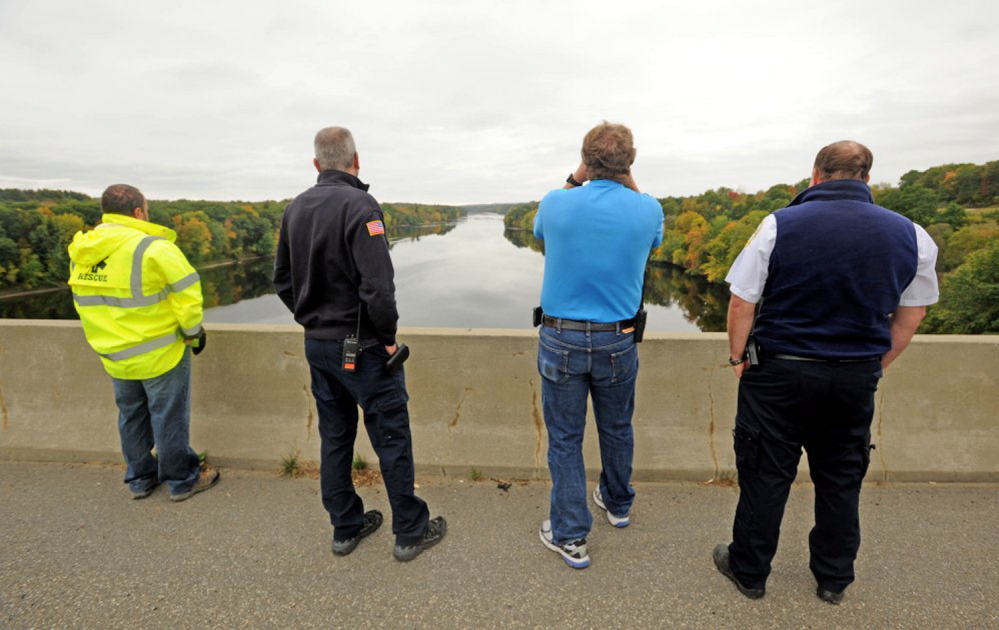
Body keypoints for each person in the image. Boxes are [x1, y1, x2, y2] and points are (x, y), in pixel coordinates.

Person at [713, 141, 939, 603]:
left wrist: (739, 359)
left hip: (780, 372)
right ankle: (834, 578)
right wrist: (876, 365)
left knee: (766, 471)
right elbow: (911, 315)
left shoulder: (779, 223)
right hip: (854, 376)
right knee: (840, 476)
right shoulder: (913, 235)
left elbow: (742, 300)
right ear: (867, 179)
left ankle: (750, 571)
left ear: (815, 175)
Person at [274, 126, 446, 561]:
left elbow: (282, 282)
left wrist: (313, 320)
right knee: (390, 436)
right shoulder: (361, 204)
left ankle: (345, 528)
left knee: (334, 437)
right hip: (363, 347)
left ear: (316, 164)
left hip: (318, 344)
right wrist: (386, 339)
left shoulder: (295, 209)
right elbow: (379, 287)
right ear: (356, 159)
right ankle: (410, 531)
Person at [533, 122, 664, 568]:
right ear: (631, 163)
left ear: (585, 161)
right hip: (619, 338)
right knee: (617, 427)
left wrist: (578, 176)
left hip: (561, 337)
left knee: (566, 439)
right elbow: (651, 230)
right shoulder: (648, 209)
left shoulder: (556, 203)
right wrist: (624, 176)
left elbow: (538, 233)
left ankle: (570, 536)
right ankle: (618, 504)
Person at [68, 184, 218, 502]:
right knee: (168, 415)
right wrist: (193, 334)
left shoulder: (81, 251)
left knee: (131, 415)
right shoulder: (153, 248)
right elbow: (188, 296)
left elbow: (82, 302)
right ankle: (180, 479)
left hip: (113, 352)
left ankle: (139, 478)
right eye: (146, 208)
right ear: (138, 212)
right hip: (159, 352)